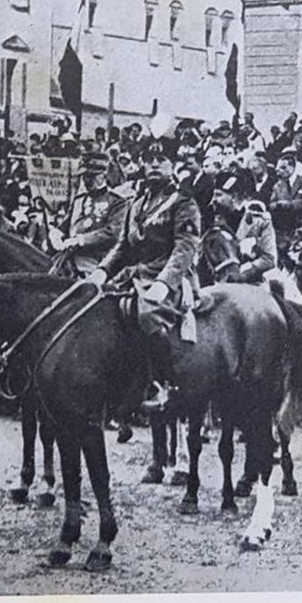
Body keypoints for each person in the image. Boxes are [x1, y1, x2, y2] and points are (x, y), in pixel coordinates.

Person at [87, 140, 201, 413]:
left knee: (147, 314)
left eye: (161, 160)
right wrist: (101, 271)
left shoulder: (183, 202)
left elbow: (185, 247)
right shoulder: (136, 204)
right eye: (149, 160)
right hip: (134, 275)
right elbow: (123, 247)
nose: (153, 165)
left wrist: (164, 283)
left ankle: (164, 383)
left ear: (173, 165)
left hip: (169, 277)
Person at [59, 152, 129, 276]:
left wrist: (81, 240)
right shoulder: (79, 200)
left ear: (104, 175)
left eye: (91, 176)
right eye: (84, 176)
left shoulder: (117, 202)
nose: (86, 181)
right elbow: (65, 226)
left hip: (96, 262)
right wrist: (56, 234)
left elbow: (113, 233)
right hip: (68, 259)